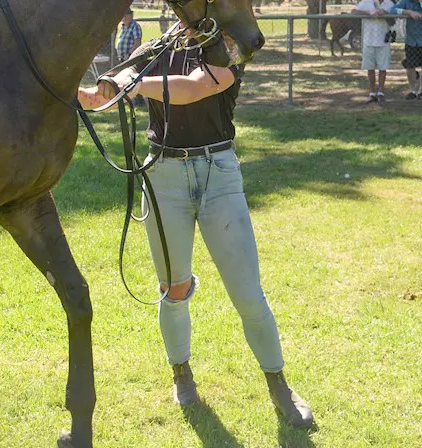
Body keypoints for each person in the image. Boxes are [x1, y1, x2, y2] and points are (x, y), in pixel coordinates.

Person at [76, 41, 314, 428]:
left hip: (218, 174)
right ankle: (181, 374)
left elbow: (194, 87)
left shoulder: (229, 46)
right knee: (174, 288)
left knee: (248, 294)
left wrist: (135, 83)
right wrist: (93, 86)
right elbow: (108, 86)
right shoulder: (154, 48)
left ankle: (280, 387)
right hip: (163, 178)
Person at [352, 0, 396, 103]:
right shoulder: (365, 3)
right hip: (368, 39)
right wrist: (369, 13)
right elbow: (353, 12)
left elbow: (394, 20)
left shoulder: (389, 3)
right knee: (370, 67)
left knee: (383, 67)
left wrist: (386, 14)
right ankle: (372, 92)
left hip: (383, 39)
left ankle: (381, 91)